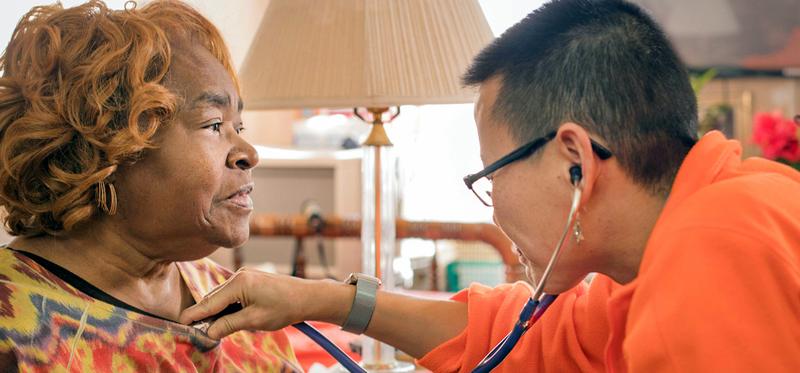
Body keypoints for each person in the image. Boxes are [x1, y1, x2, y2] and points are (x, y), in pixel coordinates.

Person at [179, 0, 800, 371]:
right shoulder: (683, 239)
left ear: (573, 160)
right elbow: (522, 343)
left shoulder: (714, 252)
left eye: (490, 174)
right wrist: (323, 300)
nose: (492, 202)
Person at [0, 1, 301, 371]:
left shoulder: (243, 305)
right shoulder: (14, 327)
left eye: (239, 127)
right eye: (213, 125)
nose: (248, 154)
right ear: (111, 145)